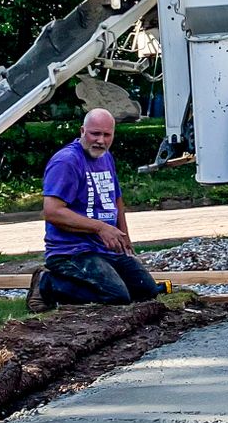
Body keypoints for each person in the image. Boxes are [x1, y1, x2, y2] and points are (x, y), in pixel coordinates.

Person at [27, 108, 163, 311]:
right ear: (82, 131)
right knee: (116, 297)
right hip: (72, 251)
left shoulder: (105, 157)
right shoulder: (66, 162)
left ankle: (101, 281)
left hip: (104, 249)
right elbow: (52, 212)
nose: (100, 140)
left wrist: (125, 238)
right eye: (95, 133)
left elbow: (116, 199)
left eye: (106, 135)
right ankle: (47, 284)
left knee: (147, 292)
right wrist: (100, 228)